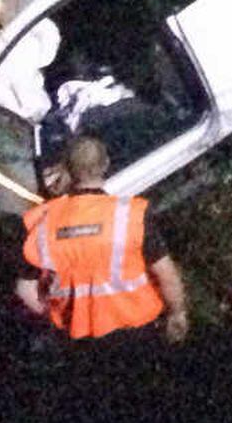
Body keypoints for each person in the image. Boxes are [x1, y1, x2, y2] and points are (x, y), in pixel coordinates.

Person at [16, 136, 189, 344]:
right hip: (137, 331)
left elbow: (25, 289)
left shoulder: (42, 222)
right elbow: (166, 275)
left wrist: (52, 316)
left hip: (77, 336)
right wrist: (177, 313)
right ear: (105, 165)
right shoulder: (131, 215)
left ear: (67, 170)